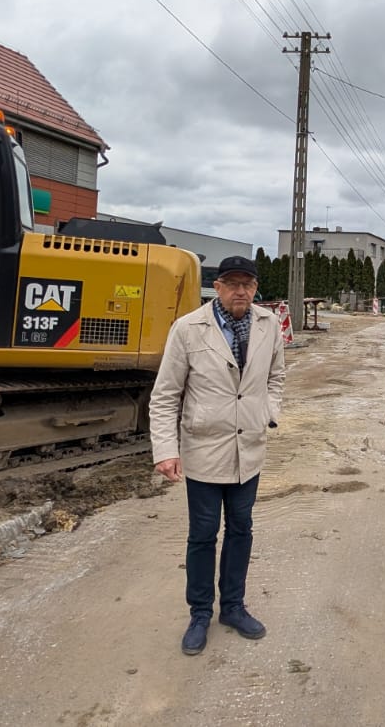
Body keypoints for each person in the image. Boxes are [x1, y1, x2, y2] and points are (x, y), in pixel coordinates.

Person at [149, 255, 285, 657]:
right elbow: (165, 395)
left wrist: (268, 412)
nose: (240, 291)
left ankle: (233, 607)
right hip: (205, 449)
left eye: (247, 284)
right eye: (232, 283)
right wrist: (166, 449)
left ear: (255, 288)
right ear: (218, 287)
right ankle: (199, 614)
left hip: (250, 450)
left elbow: (276, 376)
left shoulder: (269, 325)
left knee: (241, 529)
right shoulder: (188, 329)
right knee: (203, 534)